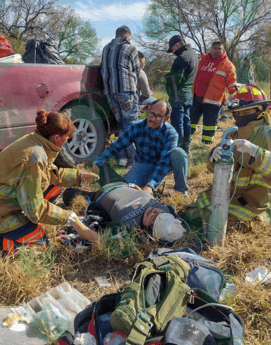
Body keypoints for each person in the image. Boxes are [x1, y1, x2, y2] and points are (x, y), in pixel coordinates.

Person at [0, 109, 100, 254]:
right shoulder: (35, 157)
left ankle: (22, 227)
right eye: (66, 138)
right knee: (40, 245)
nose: (67, 141)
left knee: (55, 187)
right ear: (56, 137)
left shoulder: (37, 141)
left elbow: (48, 175)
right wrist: (68, 217)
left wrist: (78, 176)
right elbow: (34, 208)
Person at [184, 84, 271, 231]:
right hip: (228, 193)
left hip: (253, 201)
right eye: (236, 113)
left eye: (245, 111)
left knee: (214, 223)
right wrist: (213, 155)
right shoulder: (233, 134)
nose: (239, 117)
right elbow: (211, 169)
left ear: (259, 110)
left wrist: (256, 153)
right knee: (190, 214)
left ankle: (266, 217)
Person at [92, 99, 189, 197]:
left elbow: (163, 163)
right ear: (148, 111)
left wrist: (150, 185)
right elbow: (117, 146)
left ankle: (181, 192)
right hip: (144, 163)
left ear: (166, 118)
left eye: (158, 117)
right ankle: (148, 190)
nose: (153, 119)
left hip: (166, 164)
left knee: (178, 153)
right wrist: (99, 161)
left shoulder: (170, 134)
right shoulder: (136, 127)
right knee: (127, 190)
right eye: (151, 114)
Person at [63, 182, 186, 243]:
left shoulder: (129, 226)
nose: (153, 212)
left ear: (150, 231)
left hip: (99, 195)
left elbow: (99, 240)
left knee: (67, 194)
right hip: (124, 183)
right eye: (159, 213)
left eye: (154, 219)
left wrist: (75, 221)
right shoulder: (167, 210)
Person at [101, 25, 141, 167]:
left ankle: (123, 158)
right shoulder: (131, 48)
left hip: (110, 93)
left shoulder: (105, 48)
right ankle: (134, 160)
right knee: (131, 126)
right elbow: (137, 71)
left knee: (121, 125)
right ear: (126, 36)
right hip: (127, 92)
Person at [190, 41, 237, 144]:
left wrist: (235, 94)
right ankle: (185, 142)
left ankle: (206, 146)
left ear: (223, 50)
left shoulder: (228, 65)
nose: (216, 50)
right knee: (190, 122)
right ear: (211, 49)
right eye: (215, 48)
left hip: (213, 101)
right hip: (196, 98)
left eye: (219, 48)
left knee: (209, 124)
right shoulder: (202, 60)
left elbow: (231, 83)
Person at [163, 35, 198, 154]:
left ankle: (177, 150)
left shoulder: (181, 58)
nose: (172, 53)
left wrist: (166, 76)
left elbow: (175, 79)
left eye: (172, 49)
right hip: (188, 93)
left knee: (177, 122)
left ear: (176, 45)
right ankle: (186, 149)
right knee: (186, 120)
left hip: (178, 94)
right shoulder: (192, 54)